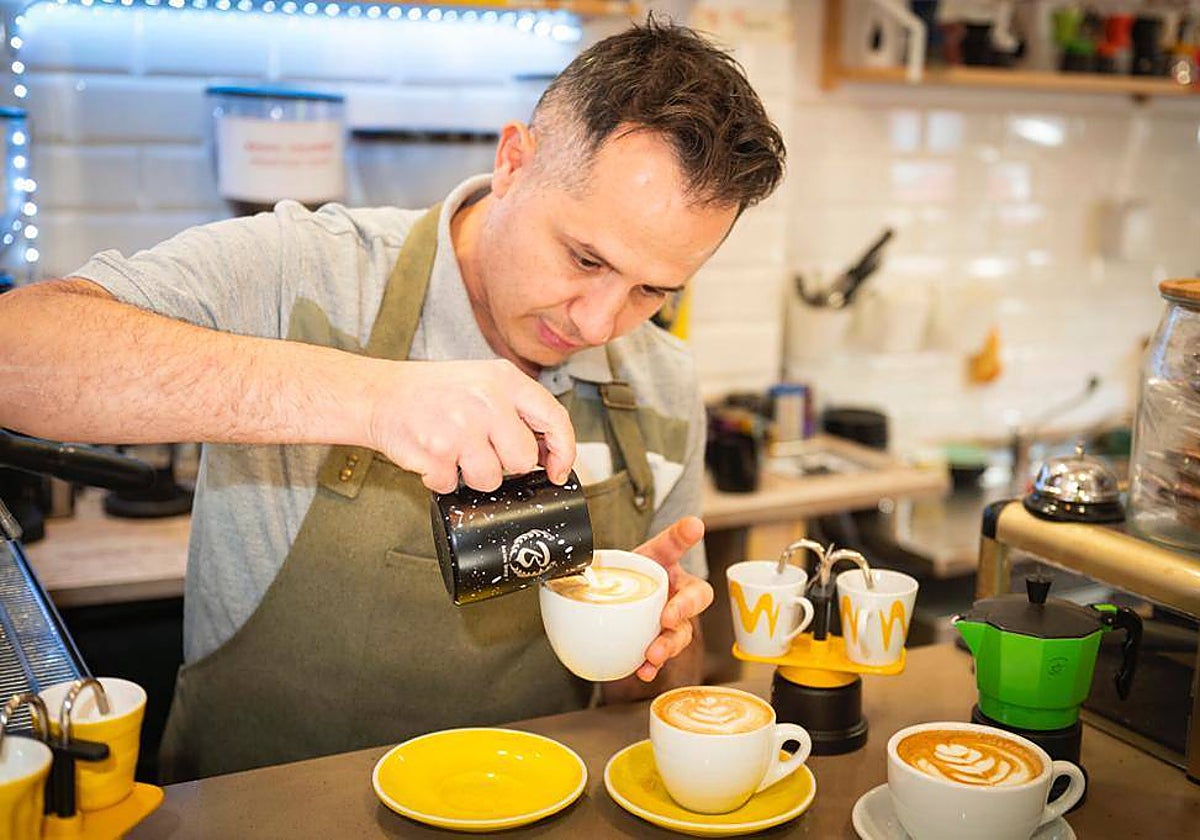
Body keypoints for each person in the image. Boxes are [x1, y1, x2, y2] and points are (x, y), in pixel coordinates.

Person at [0, 18, 785, 780]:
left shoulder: (660, 382)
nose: (598, 323)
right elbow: (16, 352)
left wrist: (650, 641)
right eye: (584, 258)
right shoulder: (308, 273)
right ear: (514, 162)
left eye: (653, 290)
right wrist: (373, 398)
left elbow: (650, 703)